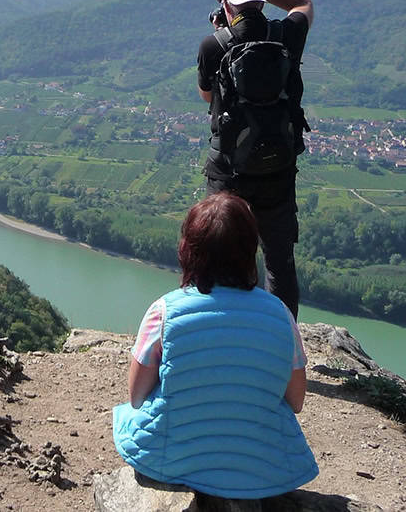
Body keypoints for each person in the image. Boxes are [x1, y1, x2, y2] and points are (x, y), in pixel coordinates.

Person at [113, 192, 317, 499]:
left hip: (171, 458)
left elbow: (137, 396)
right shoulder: (281, 315)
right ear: (250, 250)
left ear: (189, 251)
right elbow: (296, 401)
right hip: (261, 467)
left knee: (126, 414)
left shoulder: (164, 312)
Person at [197, 0, 314, 318]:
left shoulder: (213, 45)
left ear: (227, 6)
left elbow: (207, 95)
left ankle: (226, 332)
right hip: (277, 168)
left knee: (222, 255)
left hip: (229, 173)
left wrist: (224, 25)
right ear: (260, 4)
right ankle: (283, 342)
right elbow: (302, 3)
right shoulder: (287, 35)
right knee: (279, 262)